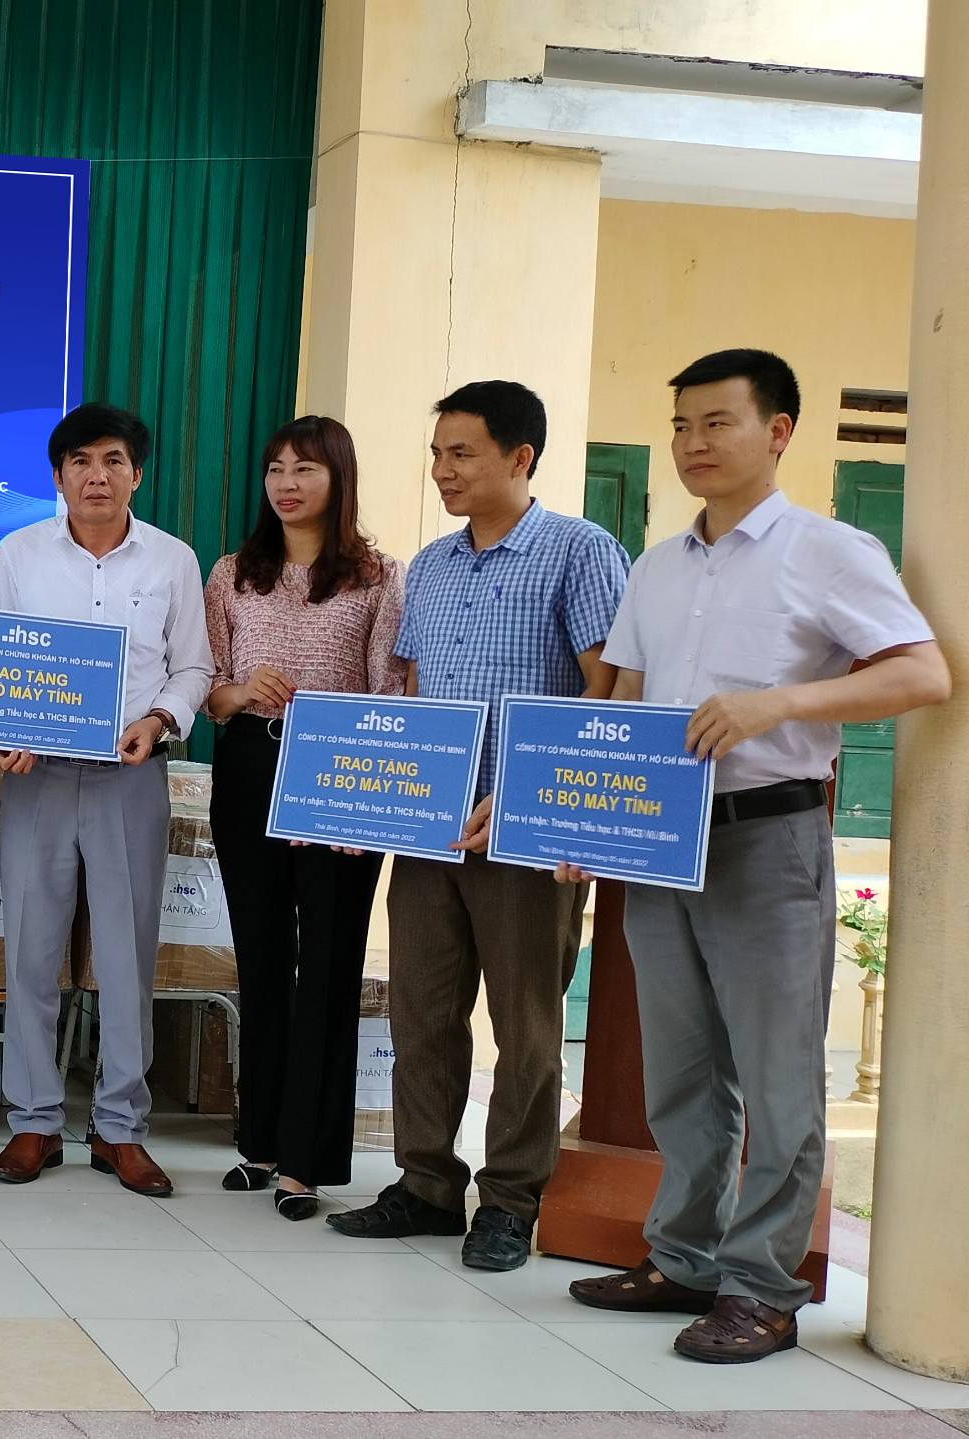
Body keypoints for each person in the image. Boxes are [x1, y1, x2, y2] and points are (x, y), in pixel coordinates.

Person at [564, 350, 945, 1362]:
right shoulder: (653, 562)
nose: (694, 442)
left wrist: (781, 701)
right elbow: (619, 701)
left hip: (767, 837)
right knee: (679, 1078)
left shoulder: (828, 550)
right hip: (655, 845)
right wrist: (571, 822)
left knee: (778, 1077)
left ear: (776, 432)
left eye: (717, 422)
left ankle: (763, 1288)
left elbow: (921, 671)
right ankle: (682, 1257)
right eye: (682, 423)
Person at [325, 380, 630, 1271]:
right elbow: (417, 695)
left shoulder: (579, 552)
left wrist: (530, 795)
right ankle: (424, 1183)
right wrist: (384, 795)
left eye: (461, 452)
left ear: (520, 457)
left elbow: (606, 692)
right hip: (432, 831)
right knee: (421, 1012)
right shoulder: (432, 564)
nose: (442, 470)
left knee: (527, 1025)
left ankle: (509, 1198)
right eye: (436, 453)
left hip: (526, 834)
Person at [0, 404, 212, 1196]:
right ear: (57, 475)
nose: (97, 475)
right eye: (80, 461)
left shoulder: (173, 560)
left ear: (136, 472)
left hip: (129, 776)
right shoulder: (17, 553)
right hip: (36, 776)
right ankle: (34, 1121)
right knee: (30, 956)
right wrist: (2, 726)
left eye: (113, 460)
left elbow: (194, 669)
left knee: (125, 960)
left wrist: (160, 719)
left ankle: (121, 1128)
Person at [199, 416, 404, 1220]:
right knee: (259, 953)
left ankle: (307, 1162)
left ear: (338, 478)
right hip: (250, 766)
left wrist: (357, 758)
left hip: (342, 774)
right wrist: (245, 691)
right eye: (275, 468)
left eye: (305, 469)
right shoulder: (233, 572)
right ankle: (257, 1143)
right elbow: (209, 687)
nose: (286, 483)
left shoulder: (379, 576)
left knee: (327, 960)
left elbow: (393, 687)